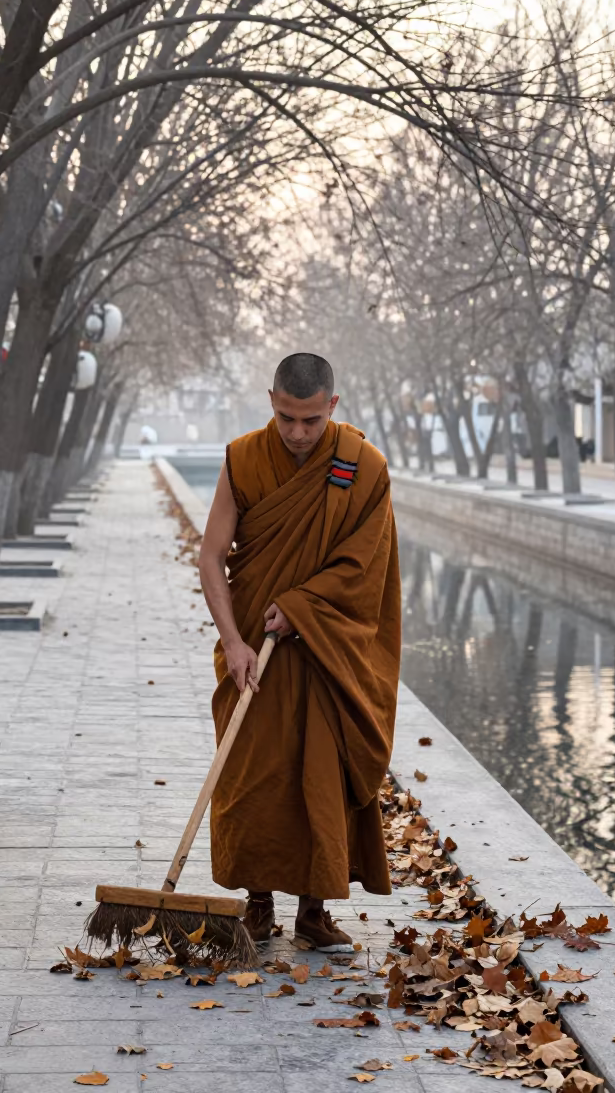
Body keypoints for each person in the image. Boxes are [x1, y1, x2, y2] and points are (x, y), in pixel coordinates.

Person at [198, 353, 401, 951]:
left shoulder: (364, 468)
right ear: (271, 401)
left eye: (310, 421)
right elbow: (211, 555)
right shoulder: (243, 458)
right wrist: (234, 641)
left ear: (332, 407)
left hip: (327, 648)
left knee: (322, 774)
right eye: (286, 417)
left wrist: (304, 609)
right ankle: (257, 905)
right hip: (253, 648)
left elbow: (367, 568)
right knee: (253, 773)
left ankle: (313, 911)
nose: (297, 433)